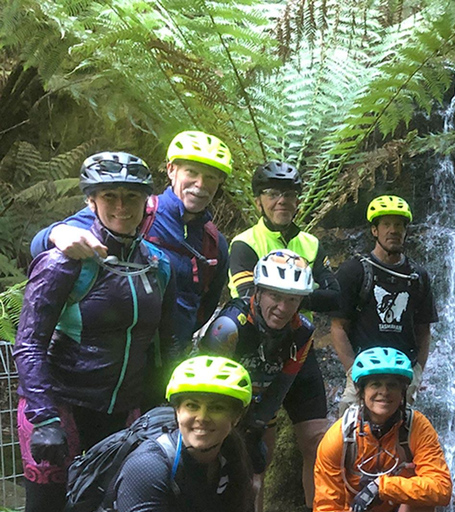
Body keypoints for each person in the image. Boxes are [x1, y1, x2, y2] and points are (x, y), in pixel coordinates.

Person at [14, 152, 176, 512]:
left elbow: (165, 345)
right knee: (48, 507)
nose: (121, 206)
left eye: (131, 196)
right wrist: (44, 418)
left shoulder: (158, 265)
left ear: (146, 201)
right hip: (60, 406)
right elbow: (28, 344)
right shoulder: (64, 262)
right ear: (91, 201)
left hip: (122, 410)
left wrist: (164, 405)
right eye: (109, 196)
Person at [30, 130, 232, 350]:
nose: (200, 184)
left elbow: (205, 307)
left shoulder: (214, 244)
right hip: (111, 357)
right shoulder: (133, 210)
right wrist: (57, 232)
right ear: (171, 170)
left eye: (210, 177)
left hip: (169, 359)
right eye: (191, 172)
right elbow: (42, 244)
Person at [227, 161, 339, 508]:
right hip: (253, 350)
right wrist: (302, 293)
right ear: (259, 200)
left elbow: (335, 296)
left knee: (318, 441)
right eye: (273, 194)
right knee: (259, 450)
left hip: (297, 345)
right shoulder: (245, 243)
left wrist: (287, 296)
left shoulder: (311, 243)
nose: (282, 201)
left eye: (289, 195)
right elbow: (246, 297)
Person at [200, 249, 316, 511]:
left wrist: (257, 423)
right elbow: (204, 381)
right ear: (258, 292)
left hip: (261, 405)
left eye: (292, 299)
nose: (283, 308)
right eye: (275, 296)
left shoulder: (302, 332)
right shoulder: (230, 326)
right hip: (218, 403)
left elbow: (284, 382)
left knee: (255, 477)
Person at [331, 195, 438, 416]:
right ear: (374, 230)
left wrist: (417, 372)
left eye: (399, 224)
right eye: (387, 224)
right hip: (363, 370)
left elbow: (423, 330)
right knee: (348, 429)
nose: (393, 230)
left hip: (401, 373)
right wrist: (352, 371)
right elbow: (338, 326)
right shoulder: (354, 271)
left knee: (400, 434)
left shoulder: (418, 276)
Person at [313, 347, 452, 512]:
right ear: (361, 391)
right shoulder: (340, 437)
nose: (384, 392)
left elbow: (442, 488)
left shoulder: (417, 427)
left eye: (392, 385)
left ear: (402, 393)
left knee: (423, 502)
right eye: (376, 384)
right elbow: (327, 505)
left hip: (400, 506)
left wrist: (382, 487)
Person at [114, 355, 255, 512]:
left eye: (217, 408)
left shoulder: (233, 456)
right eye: (192, 406)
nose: (202, 418)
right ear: (177, 412)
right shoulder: (148, 467)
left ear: (236, 417)